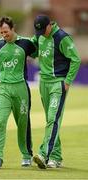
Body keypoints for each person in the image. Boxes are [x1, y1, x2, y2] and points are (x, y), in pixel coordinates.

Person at [0, 16, 37, 169]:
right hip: (2, 89)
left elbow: (39, 53)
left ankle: (26, 155)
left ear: (13, 28)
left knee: (23, 123)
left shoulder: (26, 43)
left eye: (6, 32)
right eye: (1, 33)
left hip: (21, 89)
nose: (4, 35)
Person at [32, 15, 81, 169]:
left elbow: (76, 59)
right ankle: (56, 157)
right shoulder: (39, 36)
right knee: (51, 121)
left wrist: (67, 81)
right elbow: (31, 47)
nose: (41, 34)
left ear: (49, 26)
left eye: (43, 30)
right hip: (43, 83)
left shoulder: (62, 37)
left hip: (58, 83)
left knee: (53, 119)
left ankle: (43, 154)